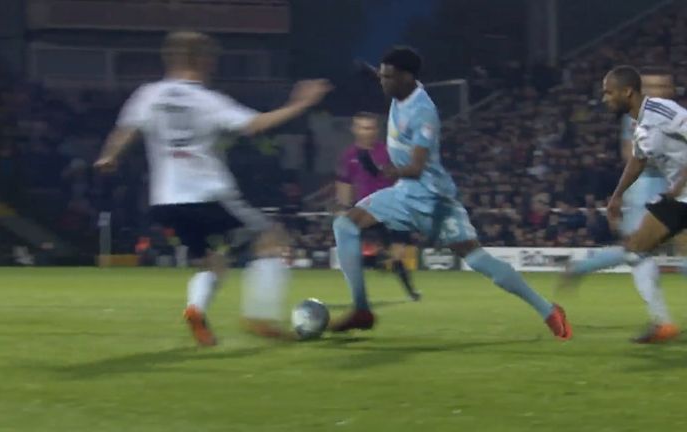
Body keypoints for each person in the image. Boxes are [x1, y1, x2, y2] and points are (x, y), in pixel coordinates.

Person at [94, 31, 331, 346]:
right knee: (272, 239)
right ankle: (261, 318)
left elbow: (126, 130)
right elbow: (256, 125)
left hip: (166, 199)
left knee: (213, 262)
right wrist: (301, 103)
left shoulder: (148, 94)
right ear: (204, 60)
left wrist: (109, 156)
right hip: (208, 192)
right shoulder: (208, 100)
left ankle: (196, 309)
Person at [329, 46, 571, 340]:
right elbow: (383, 80)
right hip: (405, 195)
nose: (384, 83)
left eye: (388, 77)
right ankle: (361, 310)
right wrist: (369, 73)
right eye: (382, 76)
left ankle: (549, 311)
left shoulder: (423, 111)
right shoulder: (400, 91)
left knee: (478, 259)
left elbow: (417, 167)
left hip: (431, 198)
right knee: (345, 224)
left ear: (407, 77)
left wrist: (386, 172)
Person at [562, 67, 679, 343]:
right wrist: (618, 195)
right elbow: (635, 158)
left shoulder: (664, 112)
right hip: (664, 194)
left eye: (608, 92)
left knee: (637, 251)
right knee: (637, 251)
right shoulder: (638, 122)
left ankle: (581, 268)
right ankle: (663, 323)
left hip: (676, 189)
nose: (604, 98)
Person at [336, 111, 421, 301]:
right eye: (364, 127)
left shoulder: (387, 151)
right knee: (358, 250)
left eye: (371, 127)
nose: (368, 131)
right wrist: (343, 206)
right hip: (367, 210)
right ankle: (367, 280)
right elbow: (344, 182)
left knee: (397, 255)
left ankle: (410, 290)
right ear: (355, 129)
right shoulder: (349, 155)